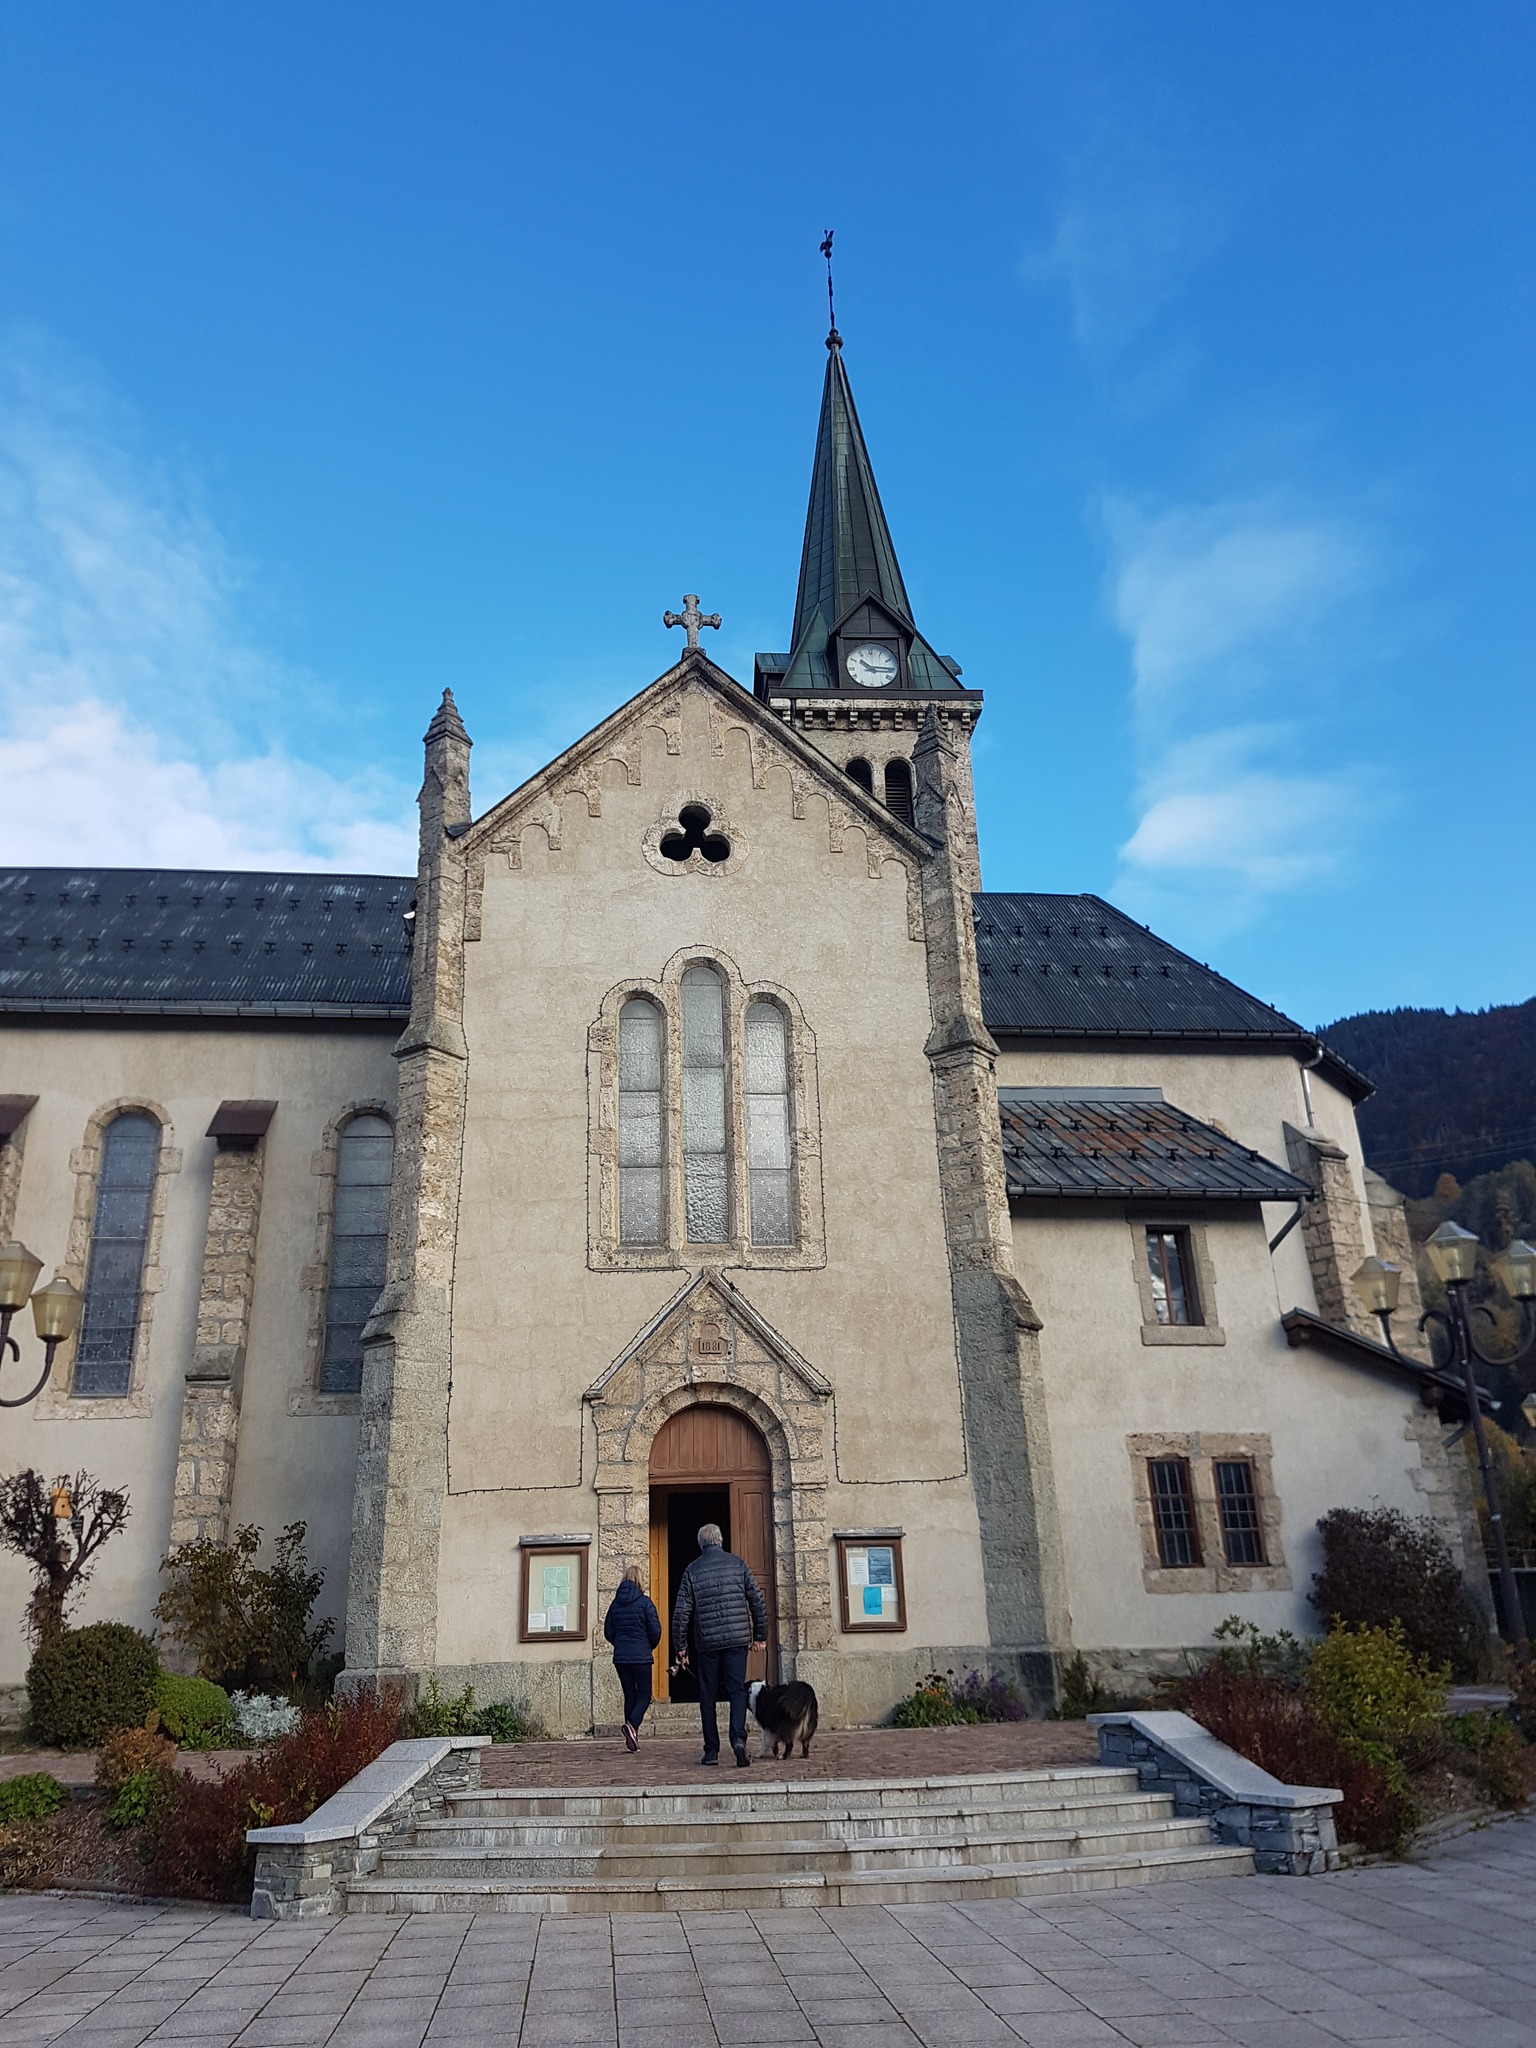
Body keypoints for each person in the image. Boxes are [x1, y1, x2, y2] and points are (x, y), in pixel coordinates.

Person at [671, 1522, 768, 1767]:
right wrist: (760, 1635)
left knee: (707, 1695)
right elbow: (757, 1600)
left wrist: (680, 1646)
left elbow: (682, 1611)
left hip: (707, 1643)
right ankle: (738, 1739)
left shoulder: (692, 1570)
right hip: (737, 1639)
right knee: (736, 1690)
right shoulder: (738, 1564)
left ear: (701, 1545)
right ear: (721, 1540)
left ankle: (711, 1751)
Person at [602, 1565, 661, 1752]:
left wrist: (619, 1644)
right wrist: (648, 1645)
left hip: (621, 1657)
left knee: (630, 1696)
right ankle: (633, 1726)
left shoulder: (614, 1604)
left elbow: (608, 1631)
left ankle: (632, 1738)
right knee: (644, 1696)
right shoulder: (645, 1603)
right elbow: (655, 1631)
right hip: (641, 1656)